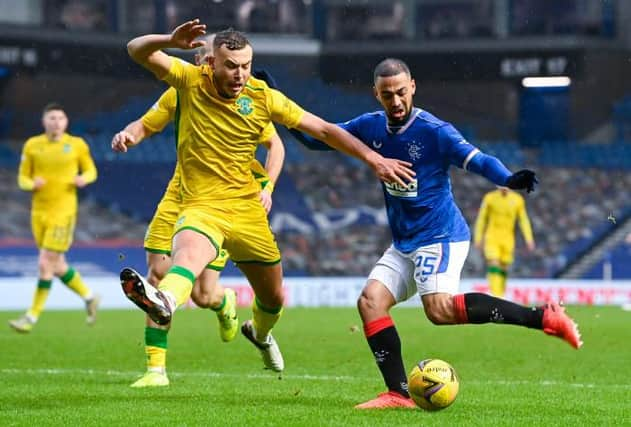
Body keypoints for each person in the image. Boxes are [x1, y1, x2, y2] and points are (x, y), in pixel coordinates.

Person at [120, 20, 413, 375]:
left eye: (245, 65)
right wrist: (169, 40)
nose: (240, 73)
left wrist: (373, 158)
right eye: (231, 65)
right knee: (187, 256)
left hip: (247, 211)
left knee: (273, 298)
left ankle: (259, 333)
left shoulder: (262, 97)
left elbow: (322, 129)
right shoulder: (188, 80)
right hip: (200, 205)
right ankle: (163, 301)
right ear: (210, 63)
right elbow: (136, 49)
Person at [292, 58, 582, 409]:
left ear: (412, 86)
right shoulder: (370, 127)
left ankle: (544, 317)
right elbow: (319, 138)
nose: (396, 101)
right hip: (405, 241)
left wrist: (506, 179)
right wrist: (279, 109)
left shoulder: (434, 130)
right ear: (376, 94)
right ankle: (398, 394)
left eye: (401, 92)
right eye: (387, 95)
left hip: (440, 235)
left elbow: (476, 158)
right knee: (370, 302)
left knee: (439, 310)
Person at [111, 35, 285, 387]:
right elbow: (145, 124)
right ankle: (155, 370)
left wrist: (267, 186)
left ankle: (223, 303)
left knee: (203, 295)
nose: (204, 66)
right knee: (158, 274)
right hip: (178, 196)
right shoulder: (181, 89)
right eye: (203, 60)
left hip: (221, 203)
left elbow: (275, 143)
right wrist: (128, 135)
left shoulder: (247, 101)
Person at [9, 103, 100, 333]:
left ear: (66, 122)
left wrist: (84, 178)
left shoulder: (76, 145)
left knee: (44, 263)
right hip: (39, 213)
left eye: (60, 118)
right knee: (57, 265)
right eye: (52, 118)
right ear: (44, 121)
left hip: (64, 212)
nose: (56, 122)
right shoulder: (32, 145)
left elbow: (91, 171)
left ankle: (31, 317)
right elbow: (22, 178)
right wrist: (32, 184)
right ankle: (90, 297)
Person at [474, 186, 535, 297]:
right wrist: (478, 237)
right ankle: (495, 294)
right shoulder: (489, 198)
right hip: (492, 237)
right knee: (494, 263)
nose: (505, 188)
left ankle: (501, 293)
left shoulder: (518, 200)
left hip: (508, 239)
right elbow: (482, 218)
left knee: (504, 267)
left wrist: (529, 239)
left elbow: (523, 220)